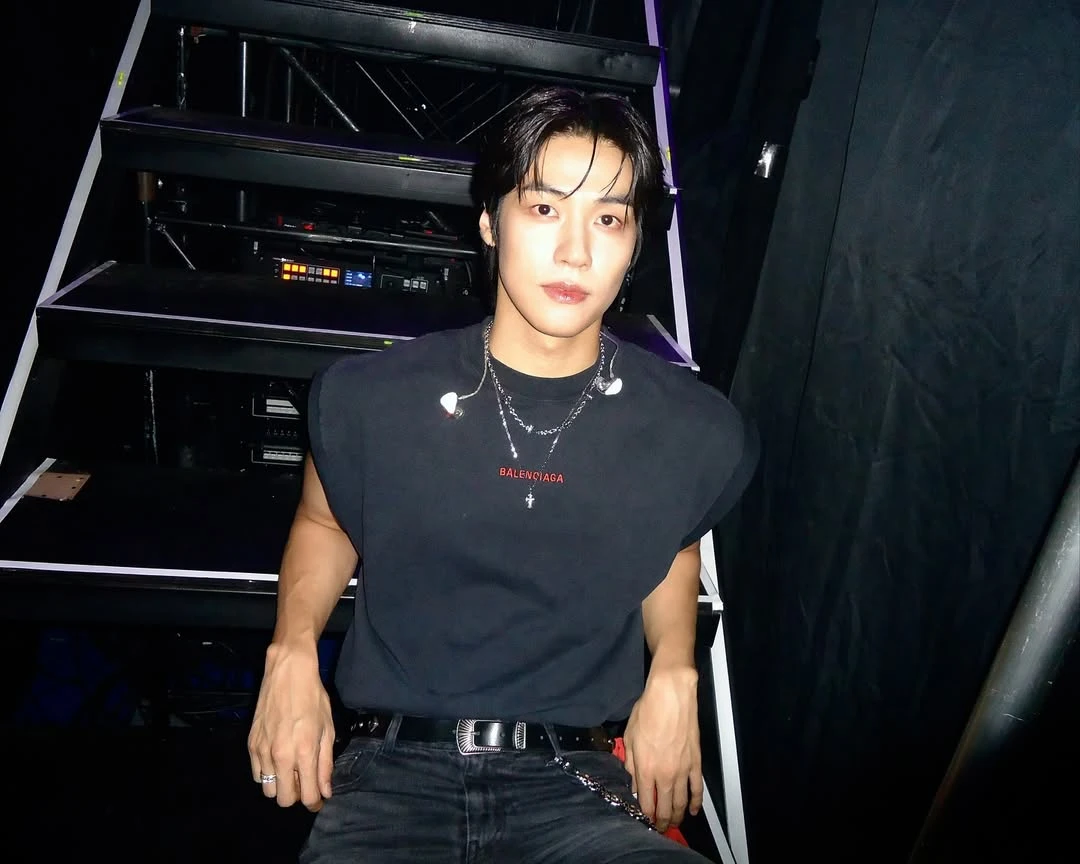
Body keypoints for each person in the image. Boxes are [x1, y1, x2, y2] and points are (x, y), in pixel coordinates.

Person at [247, 85, 759, 862]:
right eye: (545, 208)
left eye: (609, 219)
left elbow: (670, 537)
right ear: (490, 221)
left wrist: (675, 671)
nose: (576, 253)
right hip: (392, 779)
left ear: (634, 244)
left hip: (574, 784)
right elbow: (325, 519)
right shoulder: (374, 397)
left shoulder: (689, 427)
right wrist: (290, 652)